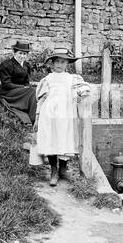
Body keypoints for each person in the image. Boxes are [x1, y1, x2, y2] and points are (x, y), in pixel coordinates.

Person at [33, 46, 90, 186]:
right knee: (51, 139)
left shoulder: (72, 78)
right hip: (49, 114)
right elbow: (41, 99)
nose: (59, 65)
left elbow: (85, 89)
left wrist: (77, 94)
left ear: (67, 64)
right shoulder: (47, 79)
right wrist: (37, 117)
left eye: (63, 62)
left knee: (65, 139)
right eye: (57, 61)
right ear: (52, 63)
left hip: (66, 113)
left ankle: (63, 169)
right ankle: (53, 171)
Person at [0, 41, 37, 125]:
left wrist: (27, 87)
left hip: (21, 91)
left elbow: (26, 82)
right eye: (20, 53)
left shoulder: (26, 65)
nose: (22, 56)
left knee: (34, 91)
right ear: (14, 53)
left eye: (24, 54)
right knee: (32, 91)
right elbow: (6, 84)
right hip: (8, 92)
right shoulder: (6, 65)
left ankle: (35, 118)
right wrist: (22, 88)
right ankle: (33, 118)